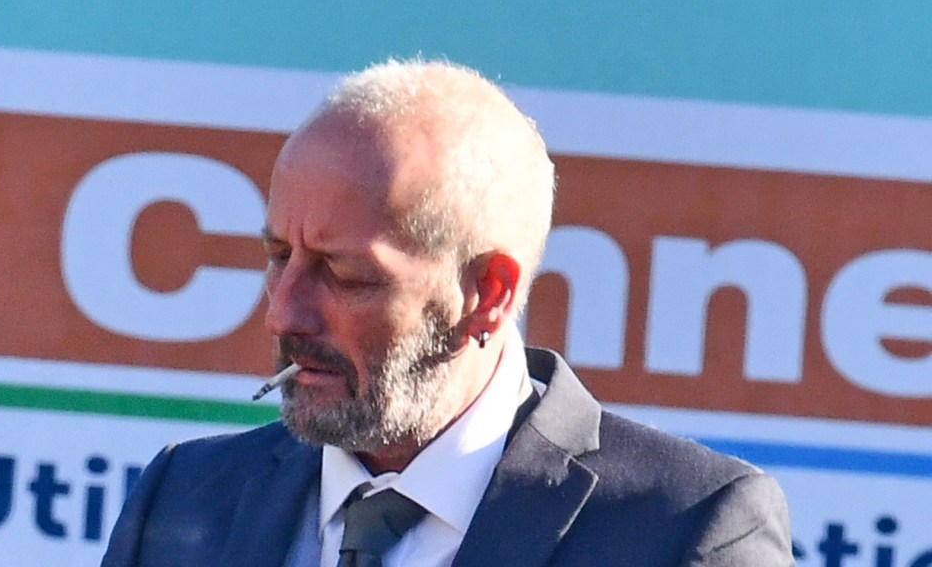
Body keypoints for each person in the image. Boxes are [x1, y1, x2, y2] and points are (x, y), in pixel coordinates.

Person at [101, 59, 794, 567]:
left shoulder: (686, 528)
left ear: (487, 293)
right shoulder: (183, 497)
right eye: (280, 256)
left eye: (344, 275)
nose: (283, 316)